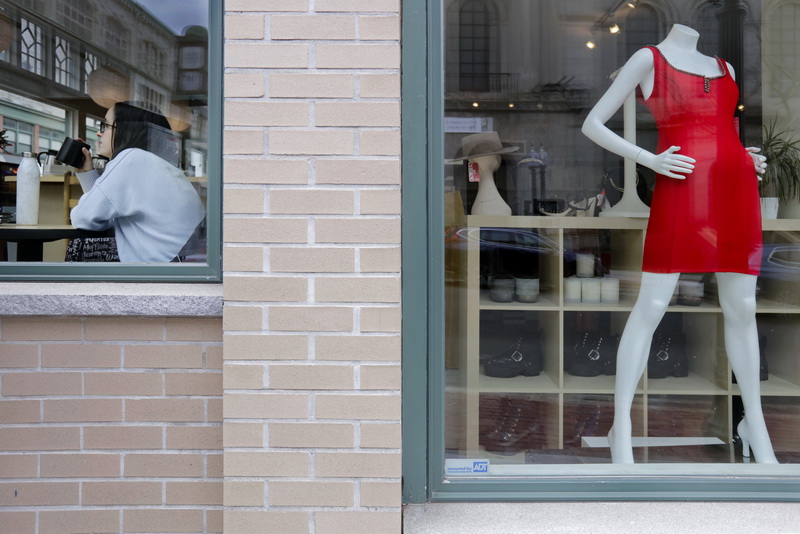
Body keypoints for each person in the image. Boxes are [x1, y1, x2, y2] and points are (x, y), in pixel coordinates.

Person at [581, 24, 777, 464]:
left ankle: (755, 424)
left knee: (742, 307)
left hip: (734, 190)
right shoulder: (651, 59)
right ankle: (622, 426)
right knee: (651, 305)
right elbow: (591, 123)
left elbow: (719, 132)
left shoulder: (724, 68)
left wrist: (746, 156)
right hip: (680, 189)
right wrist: (648, 159)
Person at [69, 101, 205, 262]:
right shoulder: (157, 165)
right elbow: (106, 216)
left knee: (78, 246)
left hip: (165, 270)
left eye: (105, 125)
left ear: (126, 130)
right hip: (185, 264)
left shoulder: (131, 158)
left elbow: (83, 217)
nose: (99, 133)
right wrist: (88, 174)